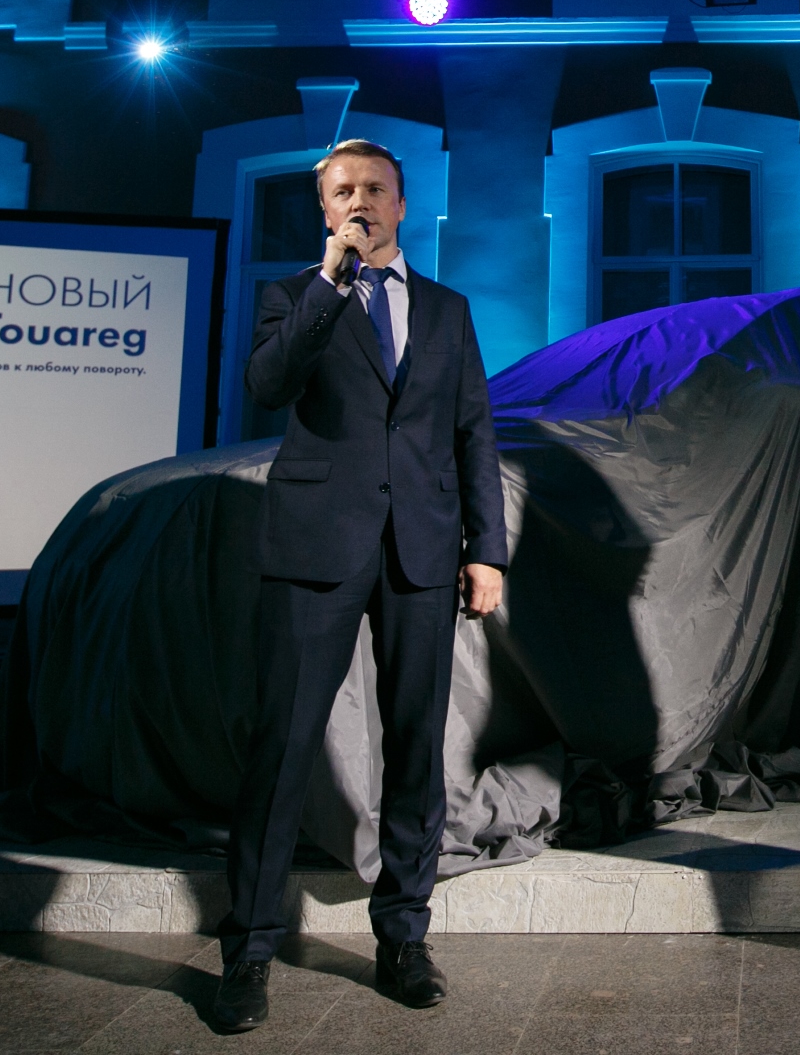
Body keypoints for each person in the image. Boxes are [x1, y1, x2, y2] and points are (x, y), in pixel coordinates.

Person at [212, 138, 507, 1030]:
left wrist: (487, 550)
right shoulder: (293, 296)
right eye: (343, 191)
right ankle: (249, 951)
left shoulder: (448, 310)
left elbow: (474, 430)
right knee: (283, 746)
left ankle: (404, 938)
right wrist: (331, 282)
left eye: (375, 188)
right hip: (316, 545)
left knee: (417, 745)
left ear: (402, 204)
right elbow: (268, 385)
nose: (359, 202)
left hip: (423, 549)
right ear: (324, 208)